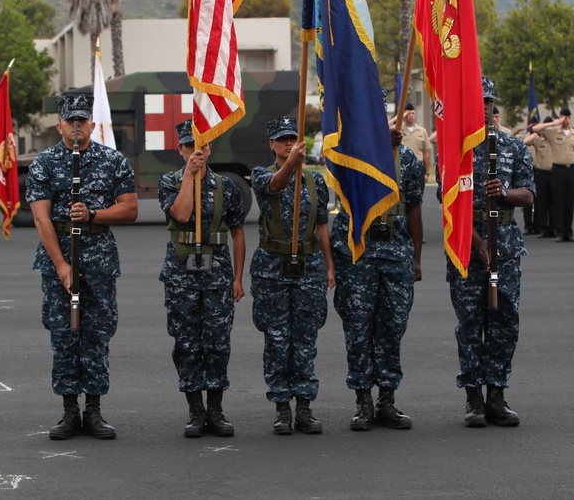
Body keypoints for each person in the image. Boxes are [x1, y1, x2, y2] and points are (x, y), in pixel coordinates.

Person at [26, 92, 138, 440]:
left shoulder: (112, 160)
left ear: (92, 124)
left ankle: (94, 410)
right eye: (69, 121)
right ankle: (68, 411)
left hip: (99, 260)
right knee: (64, 335)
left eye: (82, 121)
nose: (76, 127)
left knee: (97, 335)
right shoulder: (44, 162)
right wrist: (61, 264)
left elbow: (130, 209)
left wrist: (93, 214)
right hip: (58, 258)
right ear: (59, 124)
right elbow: (42, 218)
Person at [444, 76, 534, 428]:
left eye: (488, 102)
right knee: (470, 323)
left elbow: (527, 195)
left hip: (506, 247)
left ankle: (496, 394)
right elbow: (448, 201)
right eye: (476, 102)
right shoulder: (455, 148)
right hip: (467, 246)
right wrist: (478, 244)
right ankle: (473, 399)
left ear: (494, 107)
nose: (483, 108)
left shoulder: (514, 147)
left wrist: (504, 192)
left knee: (504, 321)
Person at [331, 119, 423, 431]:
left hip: (396, 253)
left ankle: (386, 398)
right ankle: (362, 401)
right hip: (357, 253)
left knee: (392, 327)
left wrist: (417, 259)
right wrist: (382, 150)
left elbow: (413, 208)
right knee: (358, 328)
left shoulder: (408, 158)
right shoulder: (347, 152)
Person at [158, 119, 247, 438]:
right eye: (189, 146)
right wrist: (189, 177)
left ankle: (216, 409)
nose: (197, 151)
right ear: (180, 150)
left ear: (210, 148)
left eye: (202, 146)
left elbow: (238, 233)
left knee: (218, 342)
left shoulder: (226, 186)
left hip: (218, 273)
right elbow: (181, 214)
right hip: (181, 273)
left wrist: (238, 278)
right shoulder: (169, 181)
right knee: (186, 343)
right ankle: (195, 411)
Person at [250, 116, 334, 435]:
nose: (288, 143)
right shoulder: (263, 174)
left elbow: (322, 224)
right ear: (272, 144)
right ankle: (282, 408)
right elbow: (276, 186)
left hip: (309, 265)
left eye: (293, 138)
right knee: (277, 339)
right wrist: (292, 164)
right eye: (282, 138)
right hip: (274, 266)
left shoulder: (316, 180)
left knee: (305, 339)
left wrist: (329, 265)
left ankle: (305, 406)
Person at [531, 108, 574, 242]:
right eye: (564, 117)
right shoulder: (553, 132)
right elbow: (536, 129)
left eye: (568, 117)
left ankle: (569, 231)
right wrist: (554, 123)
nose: (566, 120)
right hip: (558, 169)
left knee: (570, 201)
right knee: (559, 201)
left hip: (571, 169)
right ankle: (560, 232)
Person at [523, 125, 554, 238]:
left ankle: (552, 227)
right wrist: (537, 133)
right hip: (536, 171)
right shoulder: (537, 139)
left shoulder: (554, 140)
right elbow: (526, 141)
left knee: (553, 202)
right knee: (540, 201)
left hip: (553, 172)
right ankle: (539, 227)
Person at [394, 102, 430, 182]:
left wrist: (427, 173)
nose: (411, 115)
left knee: (418, 193)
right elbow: (385, 127)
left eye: (413, 113)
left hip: (418, 167)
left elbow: (426, 153)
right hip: (403, 167)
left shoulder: (422, 131)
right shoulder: (398, 129)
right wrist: (399, 116)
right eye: (408, 113)